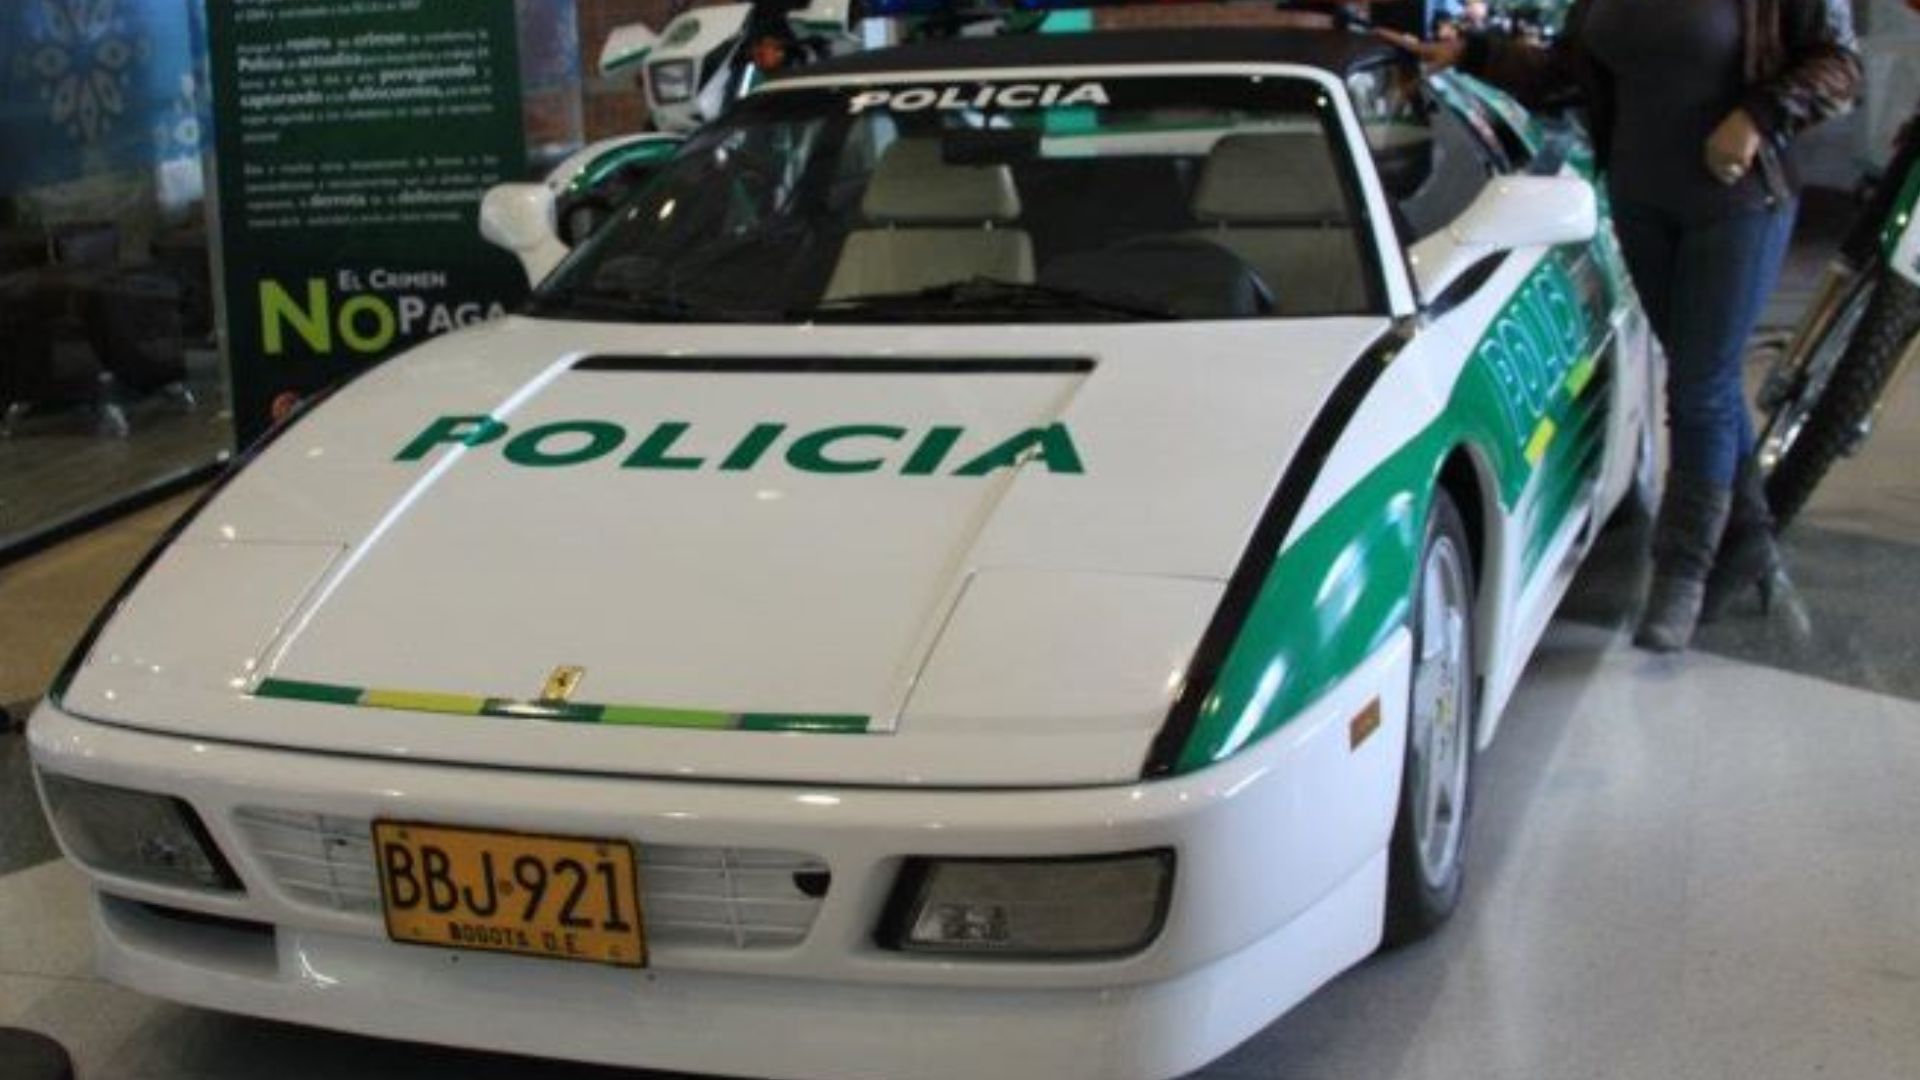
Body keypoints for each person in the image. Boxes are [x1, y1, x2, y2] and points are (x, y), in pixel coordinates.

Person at [1385, 1, 1861, 652]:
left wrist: (1756, 117)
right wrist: (1473, 55)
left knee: (1697, 387)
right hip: (1639, 200)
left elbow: (1839, 65)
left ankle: (1681, 571)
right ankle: (1748, 539)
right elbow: (1569, 71)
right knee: (1704, 377)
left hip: (1738, 203)